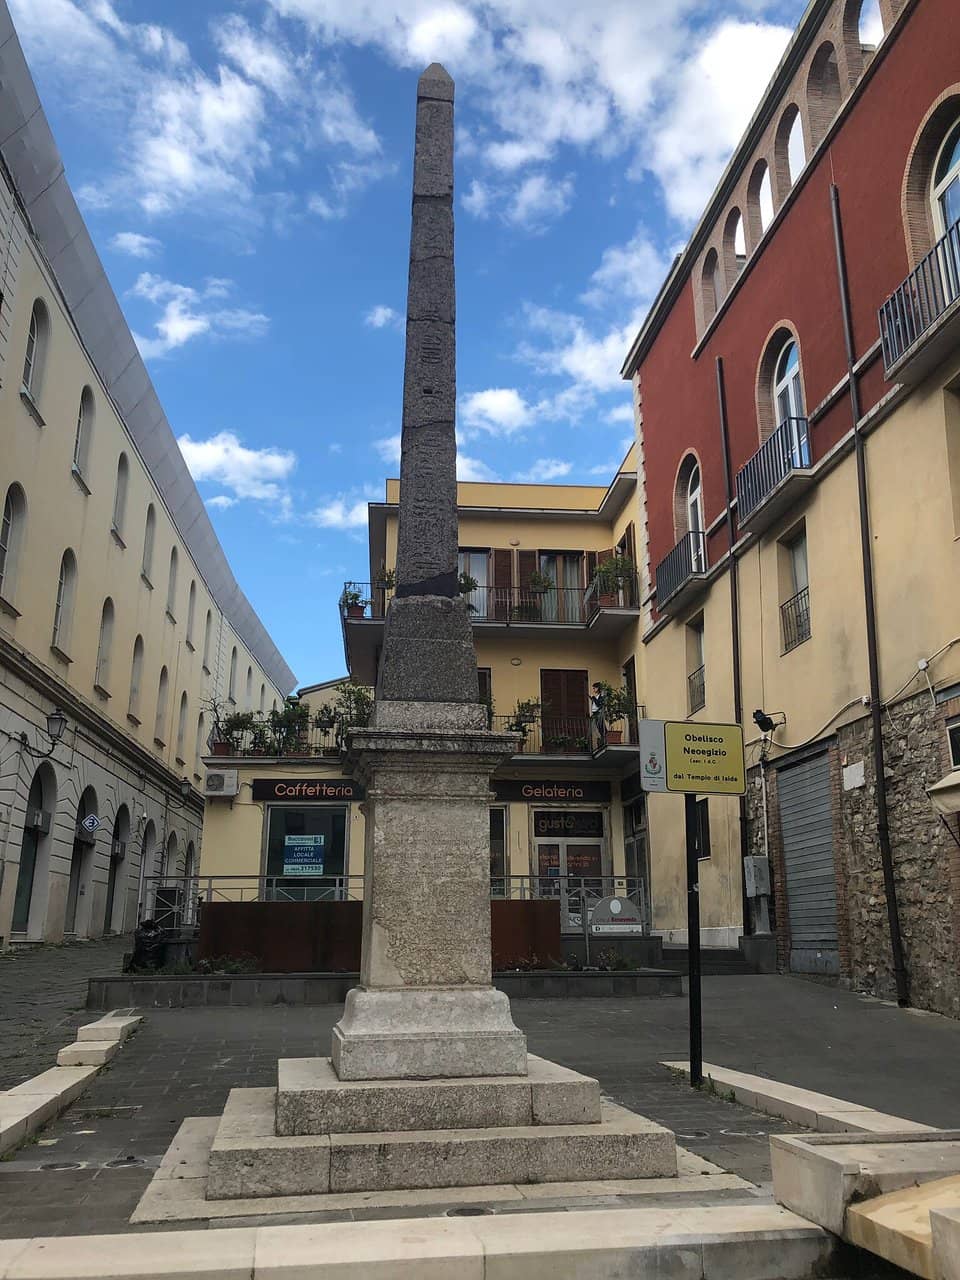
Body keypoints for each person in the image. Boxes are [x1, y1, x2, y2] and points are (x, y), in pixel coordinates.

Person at [590, 681, 606, 749]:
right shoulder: (597, 696)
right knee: (599, 727)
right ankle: (602, 739)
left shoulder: (601, 696)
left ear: (598, 688)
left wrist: (593, 698)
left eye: (594, 688)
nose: (593, 689)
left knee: (601, 727)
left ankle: (604, 739)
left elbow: (599, 704)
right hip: (595, 713)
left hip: (598, 714)